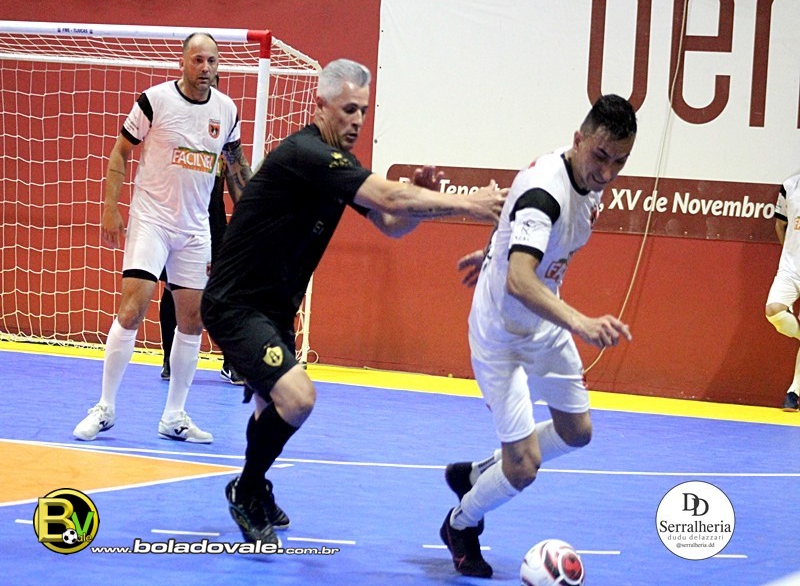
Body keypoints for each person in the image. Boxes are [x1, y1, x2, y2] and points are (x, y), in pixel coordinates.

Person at [200, 58, 507, 545]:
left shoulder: (338, 166)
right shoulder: (309, 154)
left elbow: (392, 223)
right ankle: (247, 489)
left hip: (273, 308)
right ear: (320, 106)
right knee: (297, 397)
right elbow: (390, 199)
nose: (358, 120)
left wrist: (421, 200)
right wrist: (472, 203)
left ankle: (252, 485)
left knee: (269, 407)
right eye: (349, 110)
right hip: (236, 304)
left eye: (364, 110)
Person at [439, 94, 637, 578]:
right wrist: (581, 322)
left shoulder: (588, 184)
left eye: (619, 162)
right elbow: (519, 280)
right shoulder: (546, 191)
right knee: (524, 467)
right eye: (601, 156)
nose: (607, 172)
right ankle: (460, 523)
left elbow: (521, 230)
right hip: (501, 335)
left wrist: (494, 248)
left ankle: (478, 472)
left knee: (577, 433)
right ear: (578, 139)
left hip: (543, 323)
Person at [73, 33, 252, 443]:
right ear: (182, 62)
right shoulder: (154, 101)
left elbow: (236, 166)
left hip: (194, 229)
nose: (205, 68)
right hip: (151, 221)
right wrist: (110, 208)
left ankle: (174, 416)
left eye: (212, 61)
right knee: (132, 309)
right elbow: (120, 152)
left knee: (193, 320)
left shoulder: (227, 111)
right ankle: (105, 408)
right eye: (197, 60)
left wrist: (252, 221)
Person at [160, 152, 245, 386]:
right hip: (179, 224)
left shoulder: (224, 145)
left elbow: (237, 184)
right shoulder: (177, 140)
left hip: (214, 226)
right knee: (172, 289)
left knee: (226, 294)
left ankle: (231, 363)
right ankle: (169, 359)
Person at [765, 170, 800, 411]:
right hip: (790, 270)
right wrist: (789, 255)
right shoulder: (790, 185)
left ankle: (793, 393)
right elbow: (781, 224)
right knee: (773, 310)